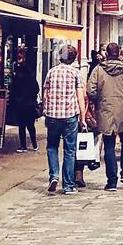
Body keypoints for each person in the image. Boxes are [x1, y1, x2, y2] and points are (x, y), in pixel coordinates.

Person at [87, 41, 123, 190]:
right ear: (118, 54)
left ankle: (111, 181)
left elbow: (90, 90)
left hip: (105, 111)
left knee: (109, 145)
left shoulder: (98, 70)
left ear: (106, 53)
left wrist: (98, 100)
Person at [42, 45, 87, 196]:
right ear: (74, 58)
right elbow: (80, 96)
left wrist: (45, 111)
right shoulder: (76, 73)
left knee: (52, 146)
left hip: (53, 115)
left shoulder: (51, 72)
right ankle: (68, 185)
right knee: (69, 150)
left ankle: (54, 175)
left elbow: (45, 94)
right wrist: (83, 116)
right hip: (69, 116)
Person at [8, 53, 40, 150]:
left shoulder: (16, 80)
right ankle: (34, 144)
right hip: (29, 105)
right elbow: (36, 89)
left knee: (21, 126)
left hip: (20, 105)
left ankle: (23, 146)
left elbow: (12, 91)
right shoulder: (31, 79)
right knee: (30, 125)